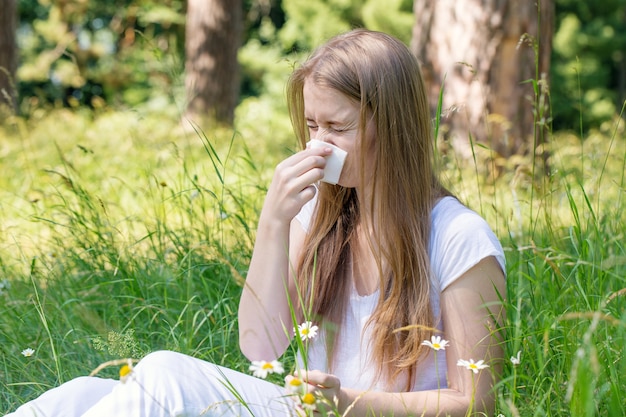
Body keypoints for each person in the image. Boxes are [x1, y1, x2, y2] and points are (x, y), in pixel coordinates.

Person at [7, 29, 506, 417]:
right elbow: (260, 346)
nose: (318, 145)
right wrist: (275, 220)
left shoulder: (459, 238)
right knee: (77, 396)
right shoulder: (319, 216)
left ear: (391, 125)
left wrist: (350, 403)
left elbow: (475, 401)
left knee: (162, 373)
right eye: (312, 126)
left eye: (338, 127)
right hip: (304, 408)